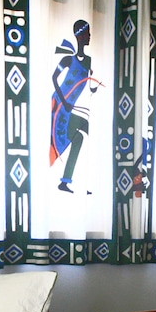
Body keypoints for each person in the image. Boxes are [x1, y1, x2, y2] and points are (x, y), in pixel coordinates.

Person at [49, 19, 99, 192]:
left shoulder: (89, 61)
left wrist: (93, 88)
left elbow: (87, 86)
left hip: (71, 107)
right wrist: (63, 102)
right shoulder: (68, 59)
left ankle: (67, 182)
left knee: (82, 137)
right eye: (86, 34)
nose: (89, 37)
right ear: (79, 36)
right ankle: (70, 182)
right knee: (79, 135)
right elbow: (54, 78)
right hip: (59, 106)